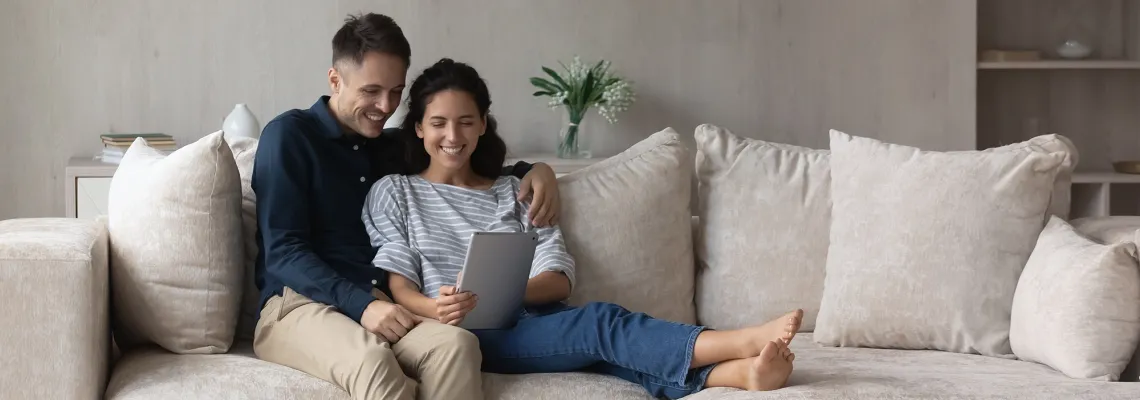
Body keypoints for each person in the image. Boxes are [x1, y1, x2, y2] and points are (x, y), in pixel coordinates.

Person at [361, 58, 803, 399]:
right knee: (600, 324)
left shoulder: (514, 191)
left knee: (606, 352)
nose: (452, 135)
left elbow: (557, 280)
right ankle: (739, 340)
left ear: (482, 126)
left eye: (465, 121)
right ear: (418, 128)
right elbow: (398, 283)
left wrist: (504, 292)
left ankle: (738, 374)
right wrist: (438, 310)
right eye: (438, 123)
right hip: (463, 333)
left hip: (535, 319)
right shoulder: (395, 193)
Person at [250, 13, 563, 400]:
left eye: (396, 91)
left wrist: (536, 170)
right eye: (372, 91)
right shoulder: (290, 136)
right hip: (298, 305)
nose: (385, 106)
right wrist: (361, 304)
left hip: (381, 305)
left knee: (457, 346)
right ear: (335, 80)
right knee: (373, 364)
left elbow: (462, 161)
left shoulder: (390, 145)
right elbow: (283, 251)